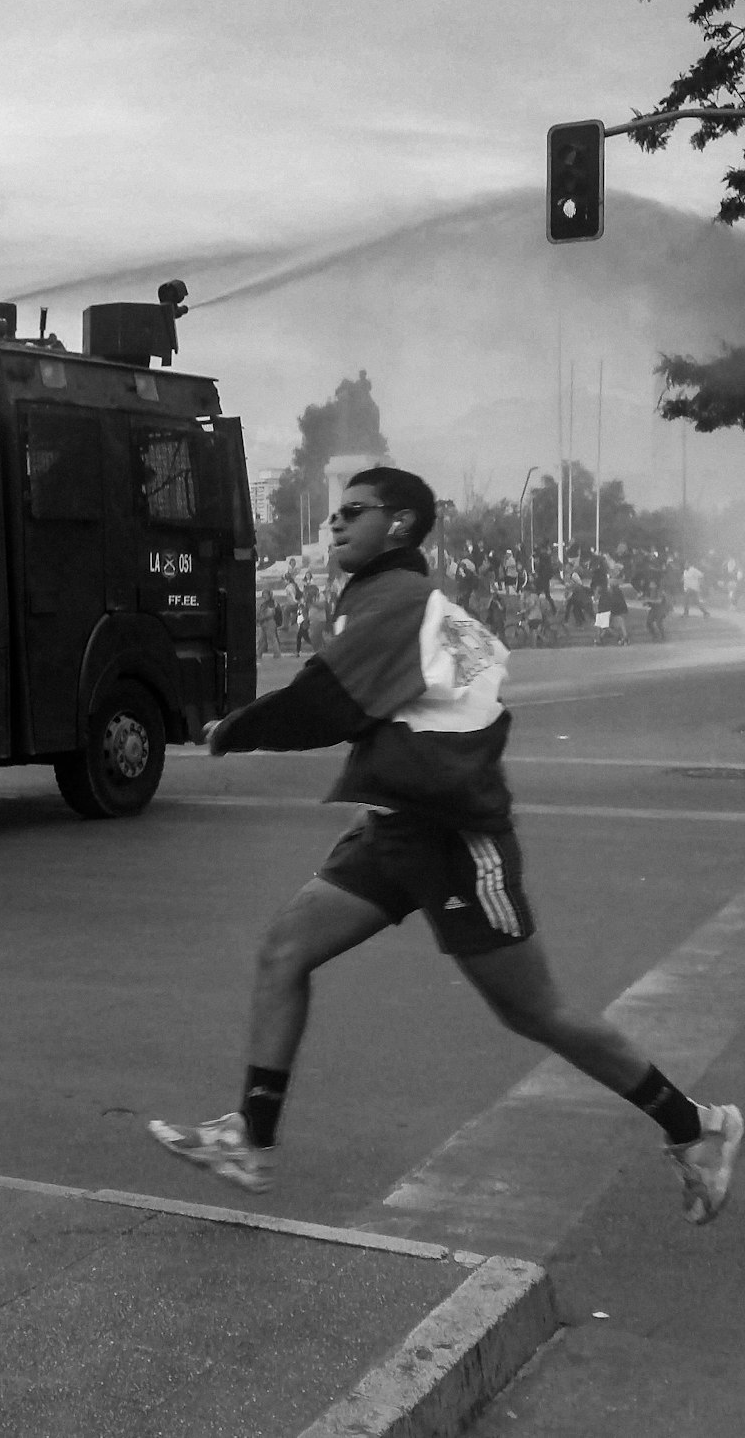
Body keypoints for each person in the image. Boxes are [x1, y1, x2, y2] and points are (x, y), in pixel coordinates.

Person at [148, 466, 741, 1225]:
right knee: (284, 952)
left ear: (398, 525)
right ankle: (250, 1139)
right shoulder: (396, 601)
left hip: (456, 839)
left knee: (537, 1013)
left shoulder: (399, 601)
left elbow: (325, 705)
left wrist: (238, 729)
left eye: (352, 513)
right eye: (336, 513)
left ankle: (700, 1126)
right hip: (396, 824)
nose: (335, 525)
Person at [255, 589, 281, 660]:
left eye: (266, 594)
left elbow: (270, 613)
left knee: (272, 639)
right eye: (263, 594)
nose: (264, 596)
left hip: (270, 622)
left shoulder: (272, 603)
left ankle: (277, 654)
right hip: (264, 623)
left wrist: (261, 618)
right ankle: (258, 654)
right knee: (261, 640)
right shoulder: (264, 604)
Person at [606, 579, 630, 645]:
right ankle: (624, 638)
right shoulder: (618, 593)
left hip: (617, 613)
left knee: (618, 623)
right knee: (620, 624)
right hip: (619, 613)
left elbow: (613, 606)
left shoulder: (614, 595)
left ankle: (622, 638)